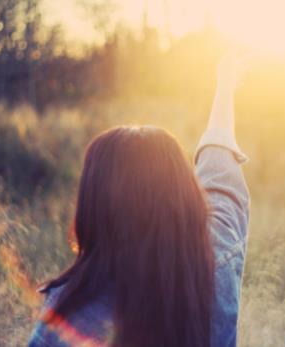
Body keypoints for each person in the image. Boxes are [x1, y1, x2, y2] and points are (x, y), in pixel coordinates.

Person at [28, 55, 250, 347]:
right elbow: (218, 161)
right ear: (182, 195)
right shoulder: (217, 249)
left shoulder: (71, 312)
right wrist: (225, 86)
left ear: (95, 206)